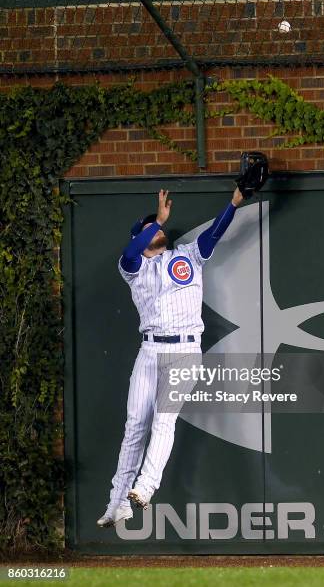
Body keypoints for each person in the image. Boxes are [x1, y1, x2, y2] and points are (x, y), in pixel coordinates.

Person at [97, 186, 244, 527]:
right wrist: (155, 221)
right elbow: (131, 250)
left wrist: (234, 203)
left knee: (164, 421)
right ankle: (118, 502)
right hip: (150, 351)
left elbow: (215, 232)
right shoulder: (132, 268)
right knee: (135, 426)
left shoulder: (188, 256)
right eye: (152, 229)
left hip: (185, 350)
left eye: (161, 228)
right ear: (142, 236)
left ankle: (145, 487)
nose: (160, 230)